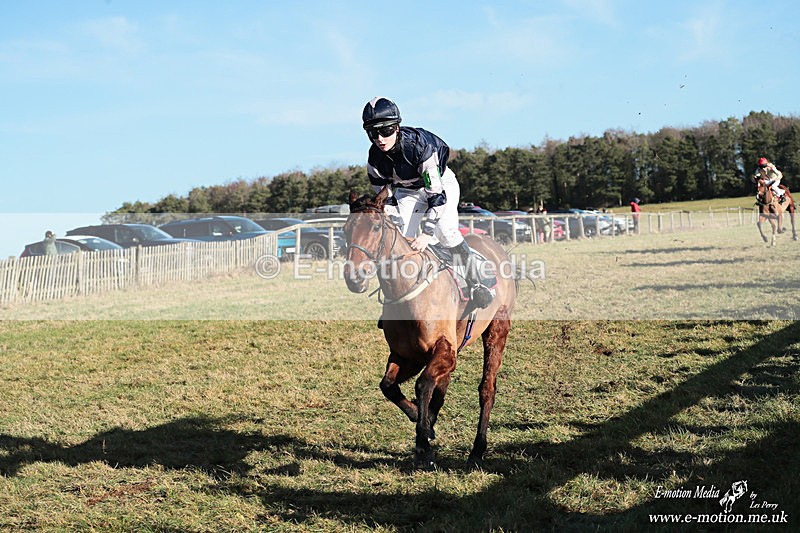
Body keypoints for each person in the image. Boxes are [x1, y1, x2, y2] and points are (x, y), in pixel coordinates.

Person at [361, 96, 493, 308]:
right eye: (372, 133)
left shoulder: (420, 147)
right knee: (399, 236)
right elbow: (385, 200)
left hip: (439, 184)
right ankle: (396, 299)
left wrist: (426, 233)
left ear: (396, 127)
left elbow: (436, 197)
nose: (379, 138)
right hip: (407, 191)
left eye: (385, 131)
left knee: (446, 232)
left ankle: (476, 283)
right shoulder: (374, 160)